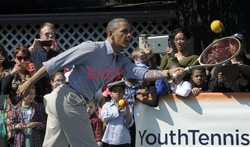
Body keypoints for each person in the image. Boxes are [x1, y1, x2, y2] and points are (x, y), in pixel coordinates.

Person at [17, 18, 185, 147]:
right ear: (110, 34)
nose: (129, 35)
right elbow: (56, 63)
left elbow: (140, 72)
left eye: (130, 32)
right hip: (68, 100)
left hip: (63, 100)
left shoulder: (121, 60)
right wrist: (29, 82)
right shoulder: (92, 48)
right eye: (124, 31)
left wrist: (167, 72)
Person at [29, 22, 62, 103]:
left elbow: (68, 67)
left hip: (55, 96)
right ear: (41, 36)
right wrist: (32, 48)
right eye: (47, 34)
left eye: (52, 34)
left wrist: (59, 51)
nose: (50, 36)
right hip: (36, 97)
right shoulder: (33, 51)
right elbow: (21, 61)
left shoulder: (58, 52)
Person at [101, 80, 132, 147]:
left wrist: (128, 112)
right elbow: (103, 118)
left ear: (123, 92)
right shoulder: (107, 105)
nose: (118, 93)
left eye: (120, 91)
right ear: (111, 94)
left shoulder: (128, 106)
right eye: (115, 91)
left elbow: (129, 124)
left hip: (123, 140)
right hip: (109, 139)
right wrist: (116, 110)